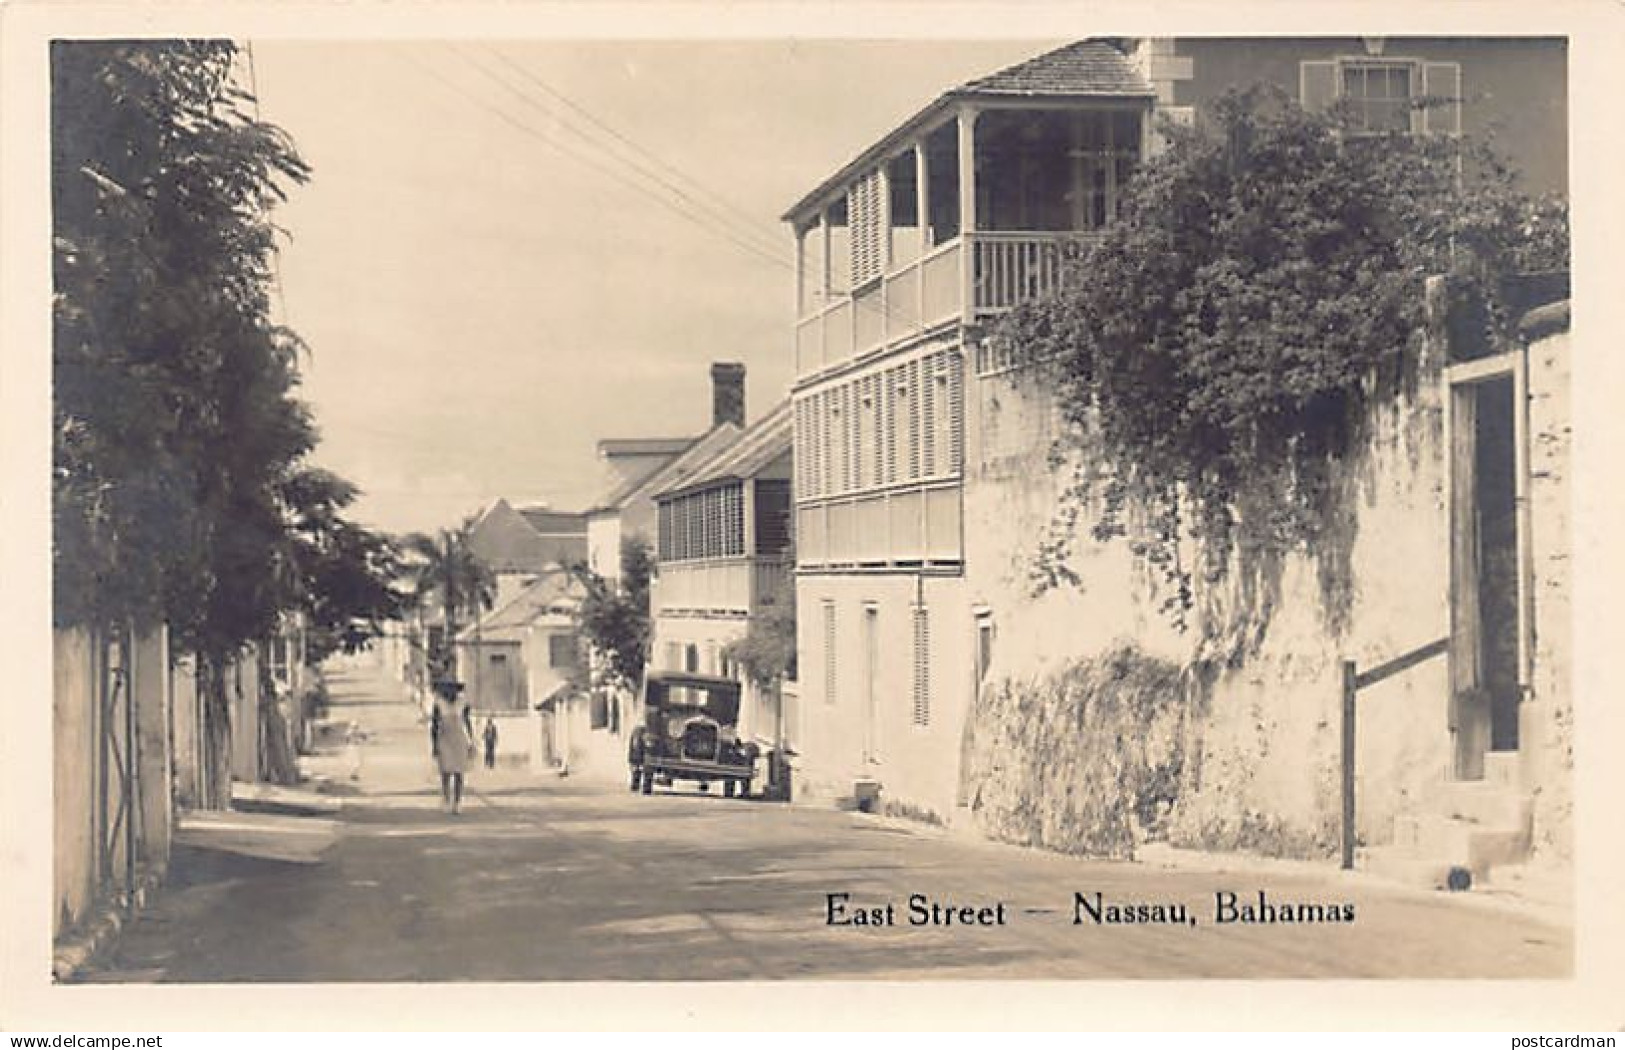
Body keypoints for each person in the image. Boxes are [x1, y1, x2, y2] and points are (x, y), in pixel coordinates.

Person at [429, 679, 474, 814]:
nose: (450, 693)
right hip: (444, 738)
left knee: (459, 772)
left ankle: (458, 802)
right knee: (446, 772)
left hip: (459, 739)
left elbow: (467, 722)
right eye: (447, 691)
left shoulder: (463, 704)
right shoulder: (439, 704)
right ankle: (446, 799)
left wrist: (471, 740)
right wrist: (434, 744)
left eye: (453, 690)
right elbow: (434, 725)